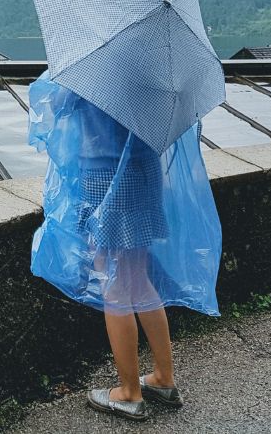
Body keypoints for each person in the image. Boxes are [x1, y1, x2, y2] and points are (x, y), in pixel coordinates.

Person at [27, 72, 222, 422]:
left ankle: (129, 392)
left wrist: (65, 78)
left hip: (105, 177)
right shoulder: (151, 66)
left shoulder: (93, 68)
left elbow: (53, 109)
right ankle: (163, 378)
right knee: (137, 279)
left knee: (114, 286)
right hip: (144, 175)